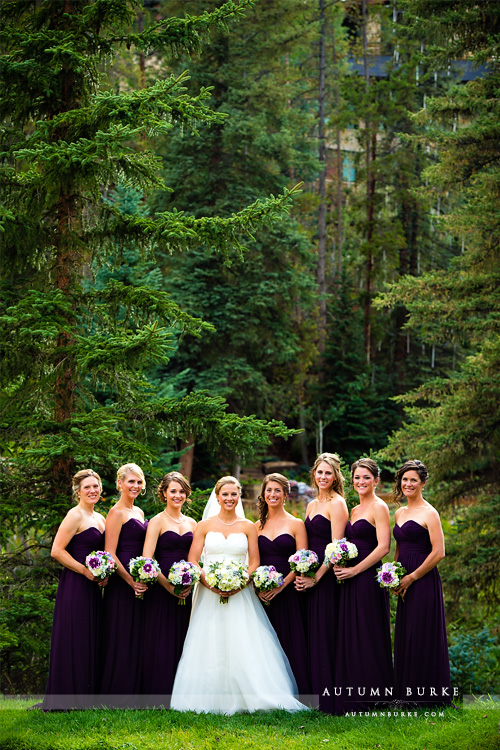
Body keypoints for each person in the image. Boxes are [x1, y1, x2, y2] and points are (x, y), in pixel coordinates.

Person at [170, 476, 307, 714]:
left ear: (239, 496)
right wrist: (210, 584)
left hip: (240, 591)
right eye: (225, 494)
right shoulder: (204, 526)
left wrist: (238, 583)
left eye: (234, 494)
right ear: (217, 496)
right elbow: (193, 560)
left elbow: (254, 562)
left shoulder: (248, 526)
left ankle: (252, 694)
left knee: (242, 638)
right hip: (208, 591)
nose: (230, 499)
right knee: (208, 639)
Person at [41, 469, 107, 710]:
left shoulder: (100, 518)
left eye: (96, 486)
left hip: (93, 587)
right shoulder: (74, 515)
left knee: (89, 636)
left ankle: (87, 696)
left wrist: (102, 574)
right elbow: (57, 550)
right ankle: (68, 698)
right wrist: (84, 571)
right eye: (87, 487)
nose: (92, 491)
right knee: (75, 636)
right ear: (77, 491)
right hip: (76, 584)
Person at [333, 458, 393, 713]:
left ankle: (374, 695)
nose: (361, 482)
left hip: (367, 577)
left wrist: (356, 570)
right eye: (357, 477)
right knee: (353, 631)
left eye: (366, 477)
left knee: (368, 631)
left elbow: (384, 547)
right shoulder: (354, 509)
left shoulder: (379, 507)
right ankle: (353, 689)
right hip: (348, 576)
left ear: (376, 481)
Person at [392, 459, 452, 707]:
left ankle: (428, 696)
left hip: (423, 580)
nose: (408, 484)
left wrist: (412, 577)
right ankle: (406, 694)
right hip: (402, 579)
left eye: (413, 480)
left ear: (423, 483)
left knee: (423, 631)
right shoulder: (399, 512)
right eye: (405, 479)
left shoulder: (430, 512)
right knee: (406, 632)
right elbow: (398, 549)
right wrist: (393, 576)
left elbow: (439, 552)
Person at [295, 452, 348, 713]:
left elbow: (336, 547)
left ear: (335, 475)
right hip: (310, 573)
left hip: (326, 578)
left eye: (328, 472)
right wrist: (303, 569)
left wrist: (317, 577)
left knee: (325, 633)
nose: (323, 476)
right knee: (311, 632)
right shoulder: (312, 504)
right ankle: (313, 696)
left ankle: (329, 699)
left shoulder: (338, 504)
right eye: (319, 472)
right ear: (314, 475)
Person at [141, 471, 197, 706]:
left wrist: (190, 582)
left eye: (182, 491)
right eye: (173, 491)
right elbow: (146, 559)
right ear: (164, 493)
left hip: (186, 589)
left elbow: (196, 559)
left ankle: (182, 694)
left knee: (186, 638)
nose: (178, 495)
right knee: (162, 639)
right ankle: (159, 694)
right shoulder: (157, 521)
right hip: (162, 588)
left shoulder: (193, 523)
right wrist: (167, 586)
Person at [255, 473, 310, 697]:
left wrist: (281, 586)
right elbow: (253, 560)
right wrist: (259, 586)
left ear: (286, 494)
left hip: (288, 592)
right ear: (263, 494)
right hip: (262, 593)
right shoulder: (256, 526)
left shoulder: (296, 524)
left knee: (291, 639)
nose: (273, 494)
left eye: (278, 490)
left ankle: (297, 692)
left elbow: (302, 561)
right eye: (269, 490)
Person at [100, 463, 148, 706]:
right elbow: (110, 553)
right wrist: (130, 581)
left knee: (136, 634)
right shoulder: (116, 512)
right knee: (121, 633)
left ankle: (135, 690)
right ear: (119, 483)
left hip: (141, 582)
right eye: (131, 481)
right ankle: (117, 692)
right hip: (122, 583)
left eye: (139, 482)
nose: (135, 486)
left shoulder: (139, 512)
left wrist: (143, 578)